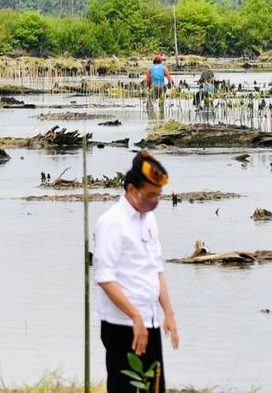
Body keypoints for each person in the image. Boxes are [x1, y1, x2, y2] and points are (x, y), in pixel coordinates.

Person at [94, 151, 179, 392]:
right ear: (131, 190)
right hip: (123, 325)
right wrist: (135, 316)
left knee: (154, 386)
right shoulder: (112, 222)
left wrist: (169, 314)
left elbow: (157, 270)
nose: (155, 201)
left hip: (150, 320)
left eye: (158, 196)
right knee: (127, 387)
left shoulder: (149, 220)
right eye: (150, 195)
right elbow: (105, 278)